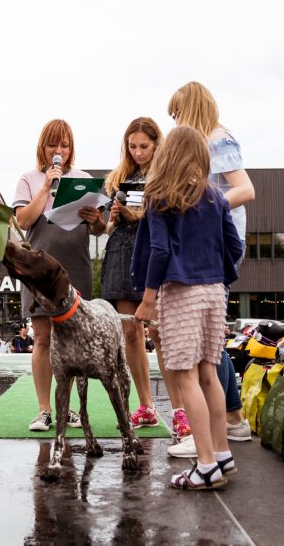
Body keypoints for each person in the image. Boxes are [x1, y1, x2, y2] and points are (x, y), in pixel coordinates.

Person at [132, 126, 243, 490]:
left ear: (166, 156)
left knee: (185, 376)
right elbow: (234, 244)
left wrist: (148, 299)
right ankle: (222, 454)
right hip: (214, 291)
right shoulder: (214, 196)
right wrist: (218, 271)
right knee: (209, 372)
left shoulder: (160, 196)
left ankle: (206, 464)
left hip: (181, 291)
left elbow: (160, 251)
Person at [168, 81, 256, 444]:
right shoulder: (207, 141)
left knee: (207, 340)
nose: (174, 121)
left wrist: (201, 208)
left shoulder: (217, 140)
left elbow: (245, 188)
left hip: (215, 242)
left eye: (176, 113)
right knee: (211, 337)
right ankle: (232, 418)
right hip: (211, 241)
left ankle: (219, 427)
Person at [13, 118, 106, 432]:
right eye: (54, 144)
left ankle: (72, 410)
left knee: (76, 342)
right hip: (39, 267)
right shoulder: (29, 179)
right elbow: (23, 220)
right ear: (43, 146)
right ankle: (44, 410)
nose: (59, 150)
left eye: (64, 145)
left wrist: (95, 219)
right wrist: (46, 187)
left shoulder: (83, 179)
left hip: (76, 267)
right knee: (42, 339)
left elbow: (99, 229)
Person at [97, 117, 163, 429]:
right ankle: (146, 406)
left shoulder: (166, 175)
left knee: (159, 333)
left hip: (153, 251)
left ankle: (179, 410)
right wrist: (113, 217)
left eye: (144, 146)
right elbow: (108, 229)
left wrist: (136, 214)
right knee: (131, 333)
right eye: (132, 146)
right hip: (121, 251)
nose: (138, 152)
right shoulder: (119, 178)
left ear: (157, 144)